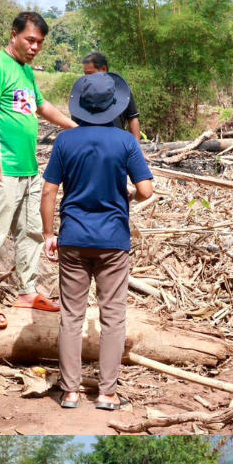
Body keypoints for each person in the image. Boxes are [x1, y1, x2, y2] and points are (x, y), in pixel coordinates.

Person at [40, 72, 154, 411]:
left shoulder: (65, 141)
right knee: (113, 317)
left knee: (72, 316)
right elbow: (146, 190)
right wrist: (125, 197)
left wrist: (49, 234)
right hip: (113, 240)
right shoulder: (125, 141)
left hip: (73, 238)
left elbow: (49, 191)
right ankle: (106, 393)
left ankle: (71, 391)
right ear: (113, 107)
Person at [0, 11, 76, 328]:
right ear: (14, 34)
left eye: (40, 43)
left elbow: (40, 107)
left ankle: (27, 292)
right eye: (30, 40)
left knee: (31, 231)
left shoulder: (26, 71)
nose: (34, 47)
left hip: (29, 168)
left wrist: (75, 127)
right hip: (3, 167)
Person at [81, 51, 141, 139]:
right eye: (85, 74)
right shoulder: (83, 91)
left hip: (116, 141)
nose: (88, 78)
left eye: (90, 73)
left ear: (104, 69)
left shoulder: (122, 90)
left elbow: (132, 119)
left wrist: (137, 147)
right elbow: (75, 123)